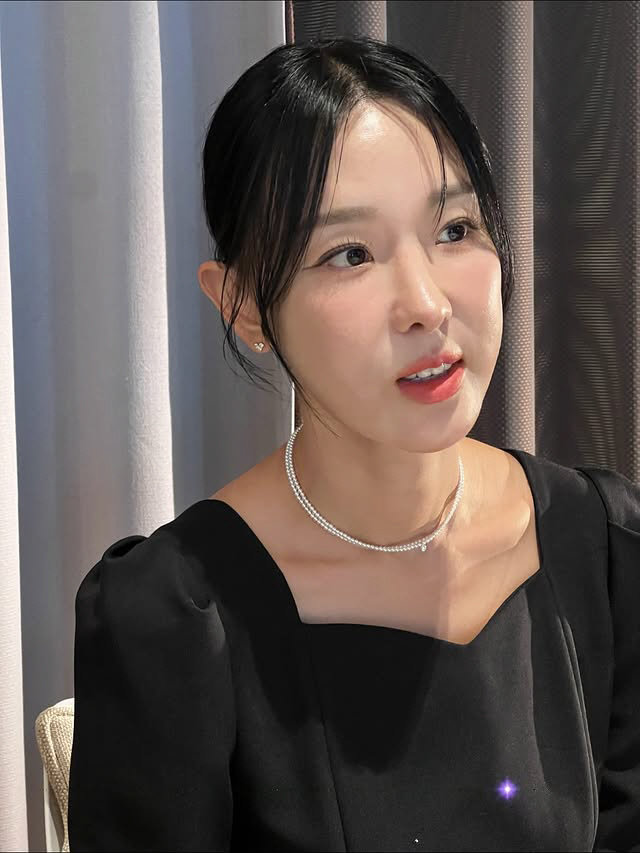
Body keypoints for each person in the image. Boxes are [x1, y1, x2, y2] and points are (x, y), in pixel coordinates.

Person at [67, 36, 640, 852]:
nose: (426, 303)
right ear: (244, 306)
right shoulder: (173, 620)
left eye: (455, 228)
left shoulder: (603, 547)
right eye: (350, 253)